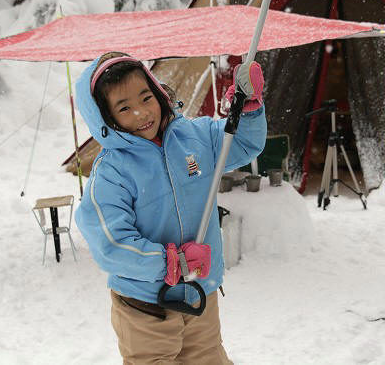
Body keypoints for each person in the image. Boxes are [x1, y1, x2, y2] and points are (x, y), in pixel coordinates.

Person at [74, 51, 267, 364]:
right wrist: (172, 262)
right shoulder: (113, 171)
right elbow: (110, 242)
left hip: (198, 292)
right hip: (147, 306)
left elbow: (243, 144)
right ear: (107, 118)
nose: (140, 113)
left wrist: (247, 110)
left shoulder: (195, 137)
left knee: (209, 359)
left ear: (158, 93)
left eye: (145, 98)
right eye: (124, 108)